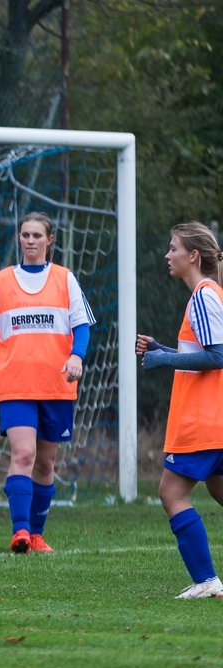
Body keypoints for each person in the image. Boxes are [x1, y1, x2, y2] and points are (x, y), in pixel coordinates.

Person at [0, 212, 95, 554]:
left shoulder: (65, 279)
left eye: (36, 235)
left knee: (45, 464)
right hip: (16, 386)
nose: (30, 241)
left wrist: (77, 357)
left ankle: (37, 535)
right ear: (19, 238)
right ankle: (20, 532)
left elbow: (83, 326)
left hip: (56, 387)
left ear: (50, 240)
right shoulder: (2, 281)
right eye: (25, 235)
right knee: (24, 453)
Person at [136, 222, 223, 599]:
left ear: (193, 257)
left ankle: (206, 581)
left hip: (203, 420)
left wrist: (162, 361)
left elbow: (218, 357)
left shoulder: (204, 296)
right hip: (214, 418)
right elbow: (200, 354)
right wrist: (166, 351)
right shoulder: (210, 294)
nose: (167, 255)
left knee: (171, 492)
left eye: (173, 249)